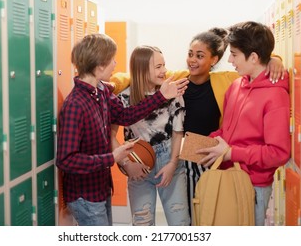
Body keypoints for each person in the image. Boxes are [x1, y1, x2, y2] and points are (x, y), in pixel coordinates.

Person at [110, 28, 285, 223]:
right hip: (186, 152)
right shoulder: (177, 81)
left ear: (214, 60)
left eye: (200, 56)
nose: (192, 59)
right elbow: (134, 74)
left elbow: (258, 67)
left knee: (203, 213)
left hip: (209, 154)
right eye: (190, 54)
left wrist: (273, 59)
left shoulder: (228, 80)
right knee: (187, 214)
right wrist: (110, 84)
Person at [56, 33, 189, 226]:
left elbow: (126, 116)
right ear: (100, 65)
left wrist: (160, 96)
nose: (115, 65)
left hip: (100, 188)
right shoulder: (75, 105)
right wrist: (114, 158)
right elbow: (65, 160)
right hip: (85, 196)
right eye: (112, 60)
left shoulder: (101, 91)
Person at [196, 21, 291, 226]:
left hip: (253, 186)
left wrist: (231, 153)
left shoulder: (276, 96)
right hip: (226, 176)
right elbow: (227, 130)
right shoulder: (236, 86)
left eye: (234, 54)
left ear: (254, 57)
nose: (230, 60)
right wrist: (207, 144)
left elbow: (278, 153)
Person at [111, 45, 190, 226]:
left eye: (164, 65)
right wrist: (126, 164)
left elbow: (178, 132)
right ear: (141, 68)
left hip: (170, 158)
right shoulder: (123, 97)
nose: (164, 71)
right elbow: (110, 135)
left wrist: (172, 163)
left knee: (180, 224)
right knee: (142, 225)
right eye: (158, 67)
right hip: (137, 162)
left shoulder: (172, 92)